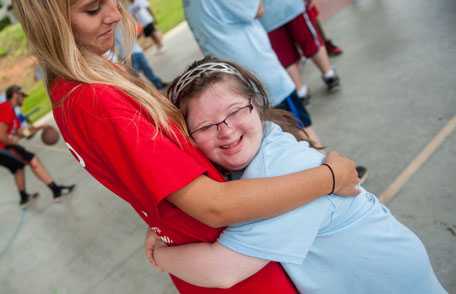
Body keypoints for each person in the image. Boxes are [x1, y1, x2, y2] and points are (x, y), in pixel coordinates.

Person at [12, 0, 360, 292]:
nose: (114, 14)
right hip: (242, 264)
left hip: (213, 254)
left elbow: (148, 178)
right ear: (51, 23)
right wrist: (329, 177)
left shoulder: (71, 92)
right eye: (92, 9)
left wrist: (161, 218)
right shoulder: (96, 98)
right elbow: (214, 207)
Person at [145, 57, 447, 294]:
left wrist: (160, 254)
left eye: (235, 111)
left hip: (389, 283)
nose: (226, 130)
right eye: (206, 126)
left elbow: (222, 271)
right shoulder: (256, 153)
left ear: (256, 105)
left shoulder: (280, 168)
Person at [184, 0, 324, 149]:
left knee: (277, 144)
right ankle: (330, 170)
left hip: (234, 85)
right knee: (301, 133)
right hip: (263, 76)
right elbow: (258, 9)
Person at [0, 85, 75, 207]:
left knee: (18, 167)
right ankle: (56, 191)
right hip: (2, 148)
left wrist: (41, 127)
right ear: (15, 94)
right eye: (22, 96)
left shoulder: (13, 115)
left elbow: (22, 133)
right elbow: (1, 136)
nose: (24, 99)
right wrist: (13, 142)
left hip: (4, 147)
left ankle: (23, 198)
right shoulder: (5, 108)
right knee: (32, 159)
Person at [260, 0, 340, 92]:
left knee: (285, 55)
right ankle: (329, 74)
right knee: (310, 41)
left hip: (267, 18)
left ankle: (300, 91)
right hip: (293, 6)